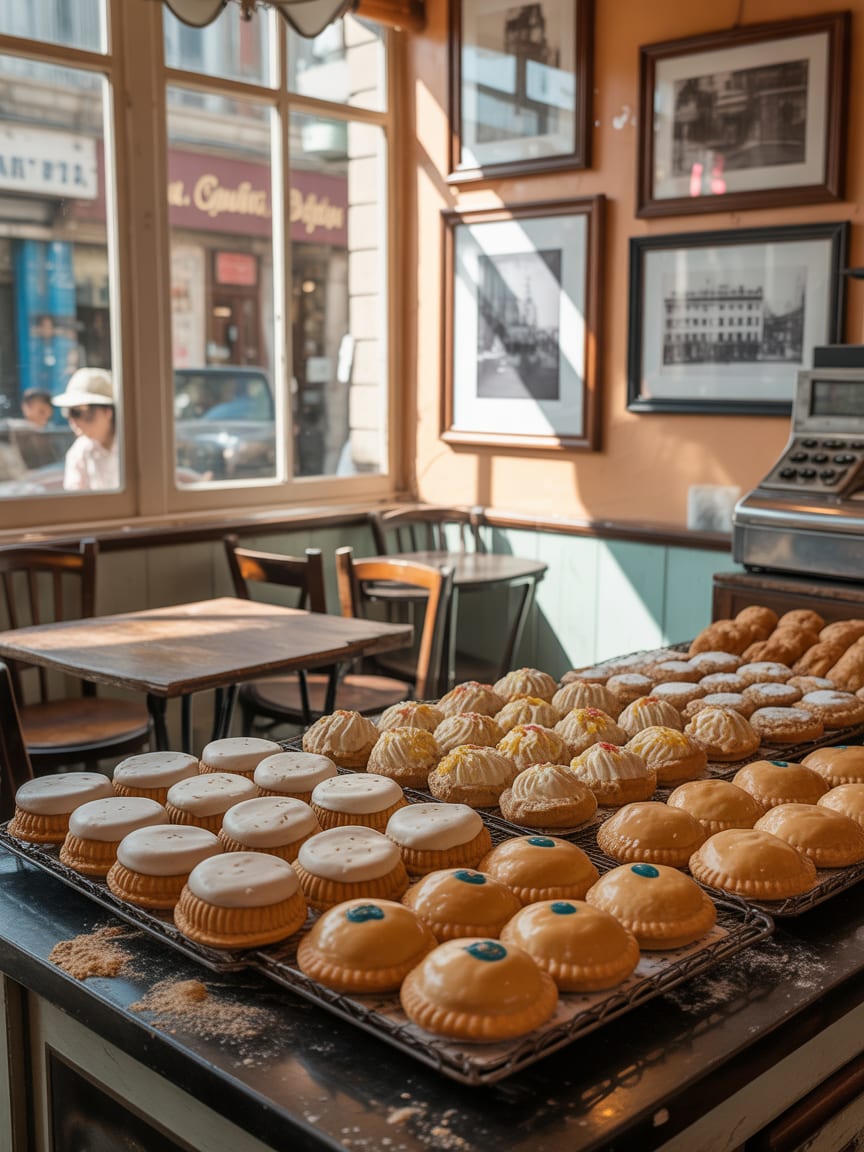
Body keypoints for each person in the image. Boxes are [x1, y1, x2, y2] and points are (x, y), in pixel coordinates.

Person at [50, 367, 119, 492]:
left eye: (81, 412)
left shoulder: (132, 446)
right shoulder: (79, 452)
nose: (74, 421)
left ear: (108, 412)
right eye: (69, 412)